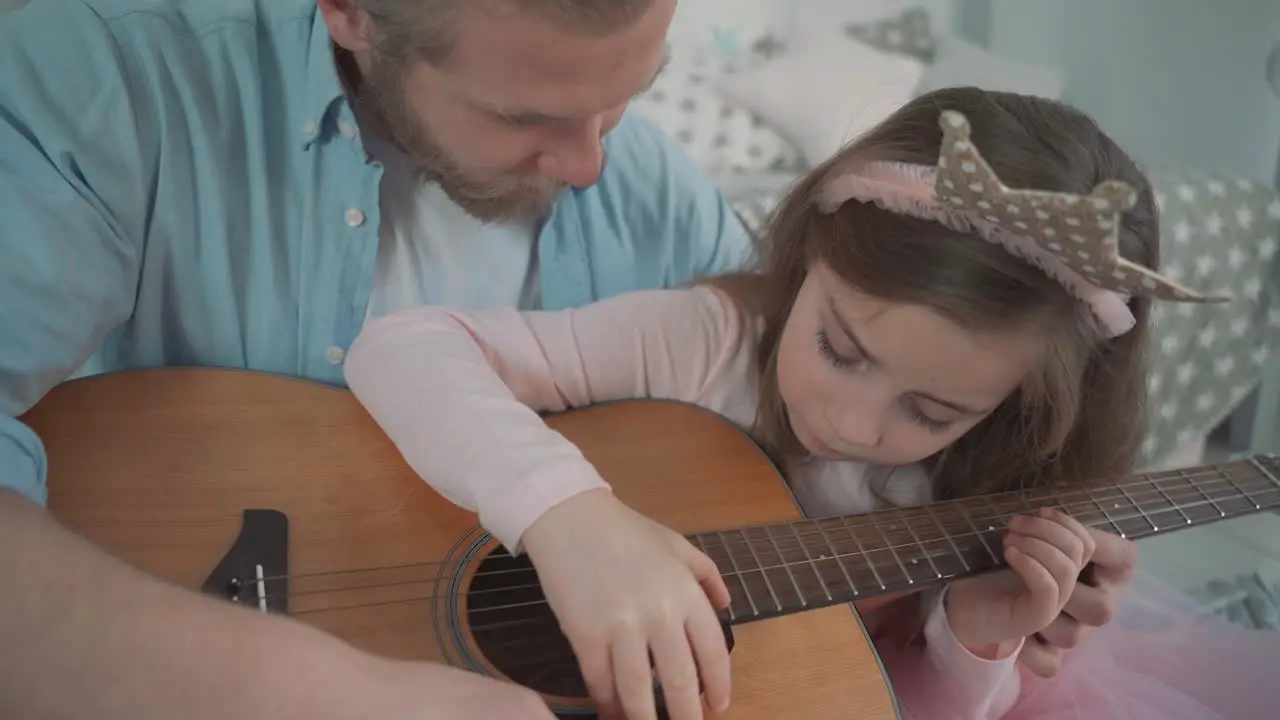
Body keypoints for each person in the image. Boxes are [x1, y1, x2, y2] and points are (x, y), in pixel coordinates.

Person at [344, 87, 1280, 720]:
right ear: (806, 259)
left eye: (934, 411)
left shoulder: (984, 479)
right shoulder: (706, 342)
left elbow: (887, 703)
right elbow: (405, 346)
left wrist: (972, 640)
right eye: (839, 347)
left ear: (1017, 409)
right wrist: (569, 517)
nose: (859, 426)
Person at [0, 0, 753, 718]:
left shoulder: (662, 205)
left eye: (629, 95)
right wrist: (305, 695)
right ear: (349, 12)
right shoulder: (115, 78)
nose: (592, 164)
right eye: (521, 115)